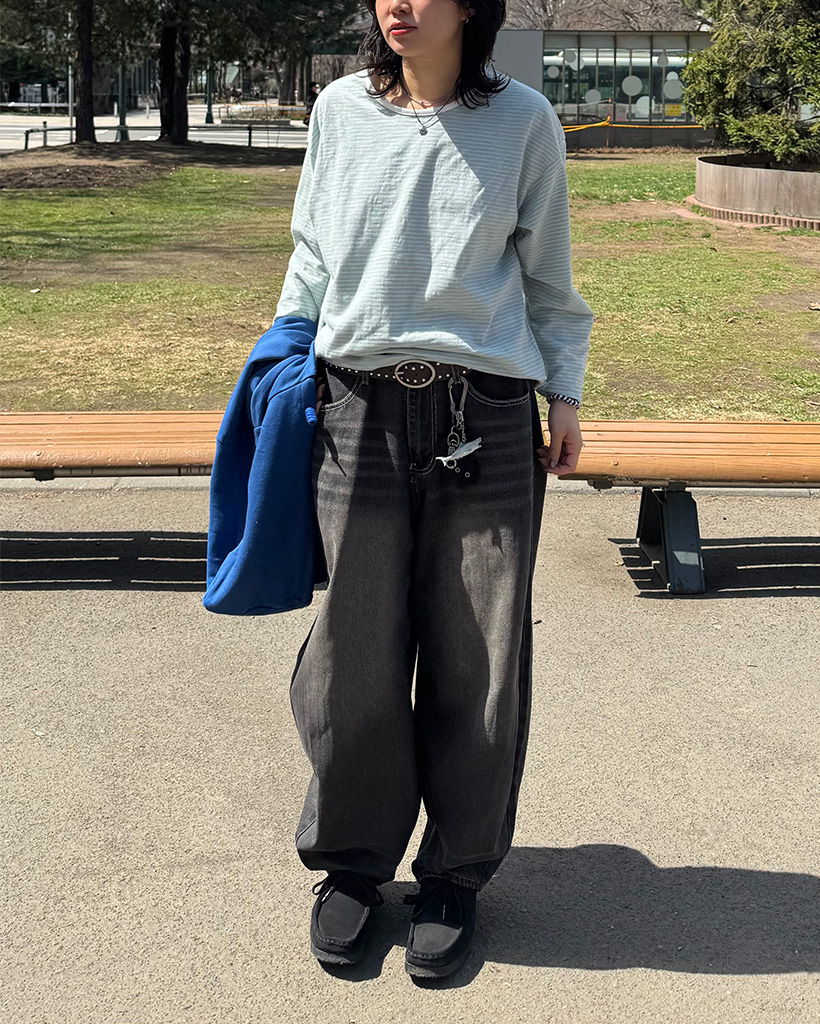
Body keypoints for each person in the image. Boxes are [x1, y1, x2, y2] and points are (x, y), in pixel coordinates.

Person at [274, 0, 593, 979]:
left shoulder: (524, 121)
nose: (398, 4)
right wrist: (281, 365)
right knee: (354, 651)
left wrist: (564, 394)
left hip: (483, 414)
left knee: (479, 656)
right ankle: (353, 863)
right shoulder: (339, 110)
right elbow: (311, 252)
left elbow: (547, 276)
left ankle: (454, 874)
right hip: (354, 408)